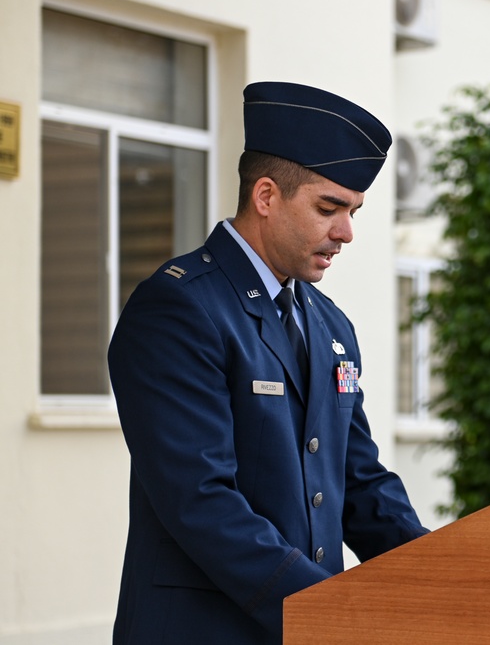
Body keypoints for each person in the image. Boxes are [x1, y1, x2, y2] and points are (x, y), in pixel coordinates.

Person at [108, 81, 428, 644]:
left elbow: (357, 480)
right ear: (265, 196)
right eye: (329, 208)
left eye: (353, 211)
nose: (346, 233)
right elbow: (200, 499)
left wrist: (446, 572)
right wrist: (326, 611)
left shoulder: (329, 324)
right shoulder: (181, 307)